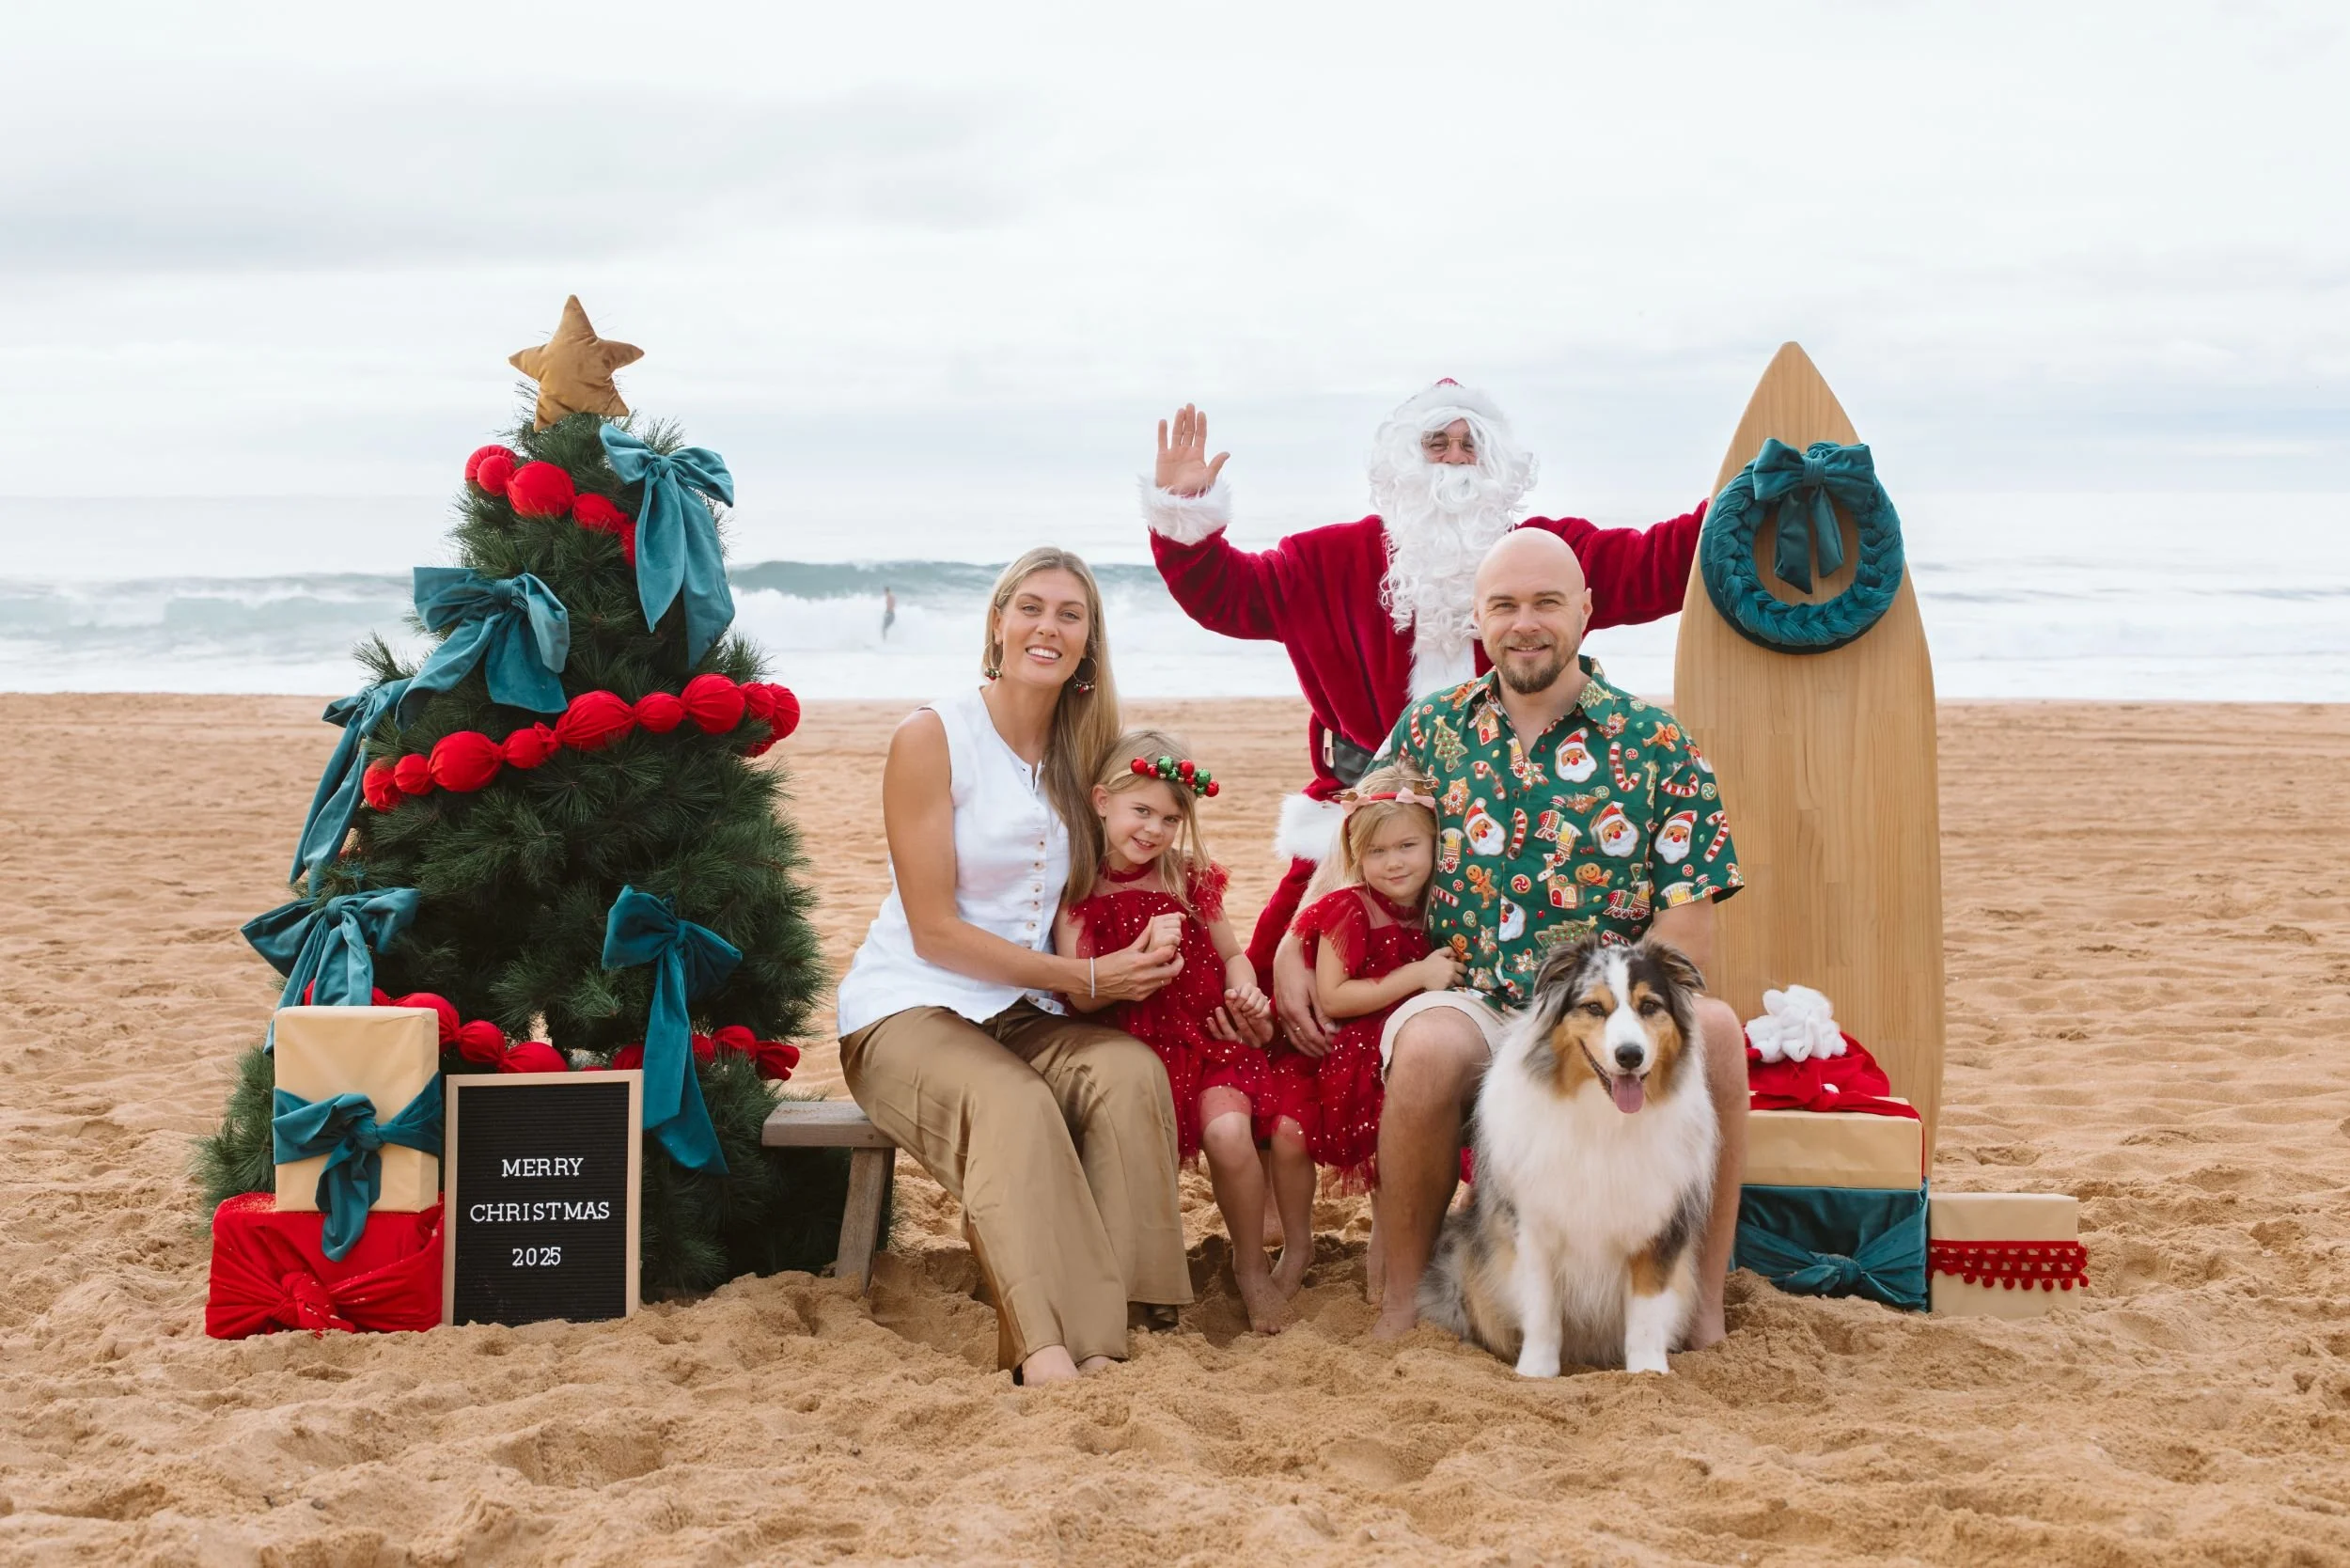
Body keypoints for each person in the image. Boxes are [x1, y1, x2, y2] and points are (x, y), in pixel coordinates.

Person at [1141, 385, 1707, 1047]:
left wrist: (1740, 496)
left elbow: (1661, 564)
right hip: (1358, 819)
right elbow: (1226, 596)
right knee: (1273, 992)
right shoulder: (1326, 560)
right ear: (1401, 461)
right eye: (1437, 443)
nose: (1455, 459)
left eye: (1472, 445)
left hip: (1499, 824)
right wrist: (1185, 517)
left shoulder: (1540, 564)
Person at [1340, 529, 1750, 1342]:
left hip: (1608, 1005)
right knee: (1425, 1052)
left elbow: (1686, 934)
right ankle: (1400, 1306)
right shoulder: (1428, 732)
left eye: (1546, 603)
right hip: (1473, 997)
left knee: (1719, 1033)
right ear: (1478, 617)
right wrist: (1287, 951)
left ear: (1587, 613)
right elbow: (1350, 852)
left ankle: (1701, 1304)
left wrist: (1609, 1015)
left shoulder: (1658, 745)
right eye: (1505, 605)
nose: (1525, 624)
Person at [833, 547, 1193, 1386]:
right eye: (1030, 607)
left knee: (1129, 1073)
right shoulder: (932, 736)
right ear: (997, 623)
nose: (1048, 627)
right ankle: (1050, 1343)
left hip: (1026, 1009)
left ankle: (1129, 1315)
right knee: (1017, 1105)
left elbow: (1149, 849)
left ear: (1089, 644)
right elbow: (934, 931)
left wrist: (1215, 962)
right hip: (910, 1007)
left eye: (1070, 615)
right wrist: (1090, 982)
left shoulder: (1089, 753)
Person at [1057, 732, 1307, 1334]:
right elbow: (1079, 995)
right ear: (1101, 802)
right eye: (1141, 811)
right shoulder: (1078, 889)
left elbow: (1235, 955)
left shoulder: (1188, 880)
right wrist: (1133, 964)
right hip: (1131, 1046)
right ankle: (1142, 1272)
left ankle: (1249, 1267)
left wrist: (1243, 988)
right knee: (1143, 1155)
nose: (1154, 830)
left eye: (1170, 819)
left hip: (1208, 1039)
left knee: (1227, 1133)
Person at [1264, 762, 1457, 1301]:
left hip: (1406, 1048)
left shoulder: (1439, 908)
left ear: (1434, 843)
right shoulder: (1351, 908)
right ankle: (1299, 1245)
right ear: (1355, 854)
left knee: (1397, 1147)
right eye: (1377, 853)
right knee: (1290, 1134)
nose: (1393, 864)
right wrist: (1416, 975)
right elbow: (1333, 996)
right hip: (1344, 1052)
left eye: (1407, 847)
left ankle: (1386, 1251)